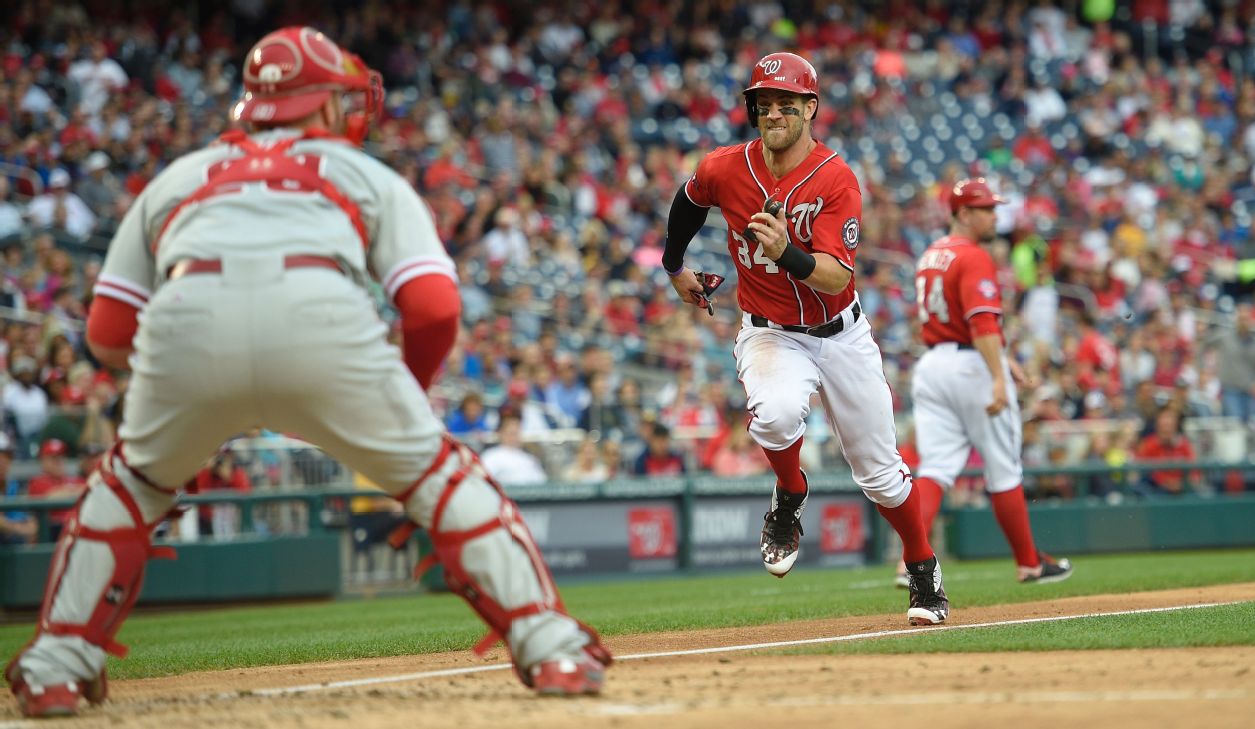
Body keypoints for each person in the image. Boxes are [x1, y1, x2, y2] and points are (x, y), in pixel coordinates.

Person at [5, 27, 610, 719]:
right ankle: (551, 645)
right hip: (324, 320)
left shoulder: (176, 177)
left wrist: (188, 396)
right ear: (326, 105)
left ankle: (53, 665)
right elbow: (435, 309)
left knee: (131, 483)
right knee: (439, 478)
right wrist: (403, 394)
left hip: (184, 322)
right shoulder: (365, 173)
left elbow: (106, 336)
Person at [662, 52, 947, 626]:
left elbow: (838, 275)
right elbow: (688, 203)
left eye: (785, 104)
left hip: (841, 333)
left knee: (881, 474)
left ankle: (922, 567)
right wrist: (674, 266)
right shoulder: (726, 166)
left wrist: (785, 252)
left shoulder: (836, 178)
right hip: (770, 334)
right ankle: (790, 495)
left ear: (810, 108)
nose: (773, 113)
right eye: (763, 103)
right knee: (773, 415)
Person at [907, 178, 1073, 587]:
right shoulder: (974, 255)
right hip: (971, 367)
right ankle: (1029, 561)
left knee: (936, 468)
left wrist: (1007, 360)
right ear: (963, 213)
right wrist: (999, 377)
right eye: (986, 210)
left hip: (933, 365)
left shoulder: (932, 254)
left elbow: (964, 320)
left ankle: (910, 558)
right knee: (1003, 469)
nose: (995, 217)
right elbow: (980, 322)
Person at [24, 438, 88, 542]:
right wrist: (73, 490)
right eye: (54, 458)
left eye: (61, 457)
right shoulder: (38, 481)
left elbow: (91, 489)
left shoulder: (76, 480)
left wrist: (67, 490)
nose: (59, 461)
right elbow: (50, 497)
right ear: (43, 460)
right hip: (53, 534)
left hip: (78, 530)